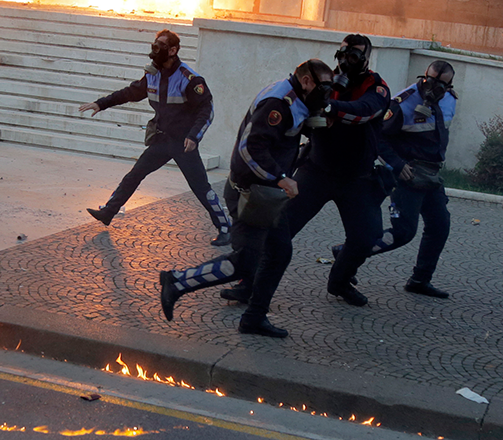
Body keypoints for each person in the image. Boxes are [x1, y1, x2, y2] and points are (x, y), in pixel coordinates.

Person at [158, 59, 335, 337]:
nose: (326, 94)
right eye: (323, 88)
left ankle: (253, 317)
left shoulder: (293, 98)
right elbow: (249, 148)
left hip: (264, 194)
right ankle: (177, 281)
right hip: (251, 195)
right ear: (306, 81)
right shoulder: (278, 104)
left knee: (278, 253)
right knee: (245, 261)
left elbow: (284, 136)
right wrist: (280, 177)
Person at [236, 34, 389, 339]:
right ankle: (249, 286)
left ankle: (340, 280)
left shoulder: (376, 87)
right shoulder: (324, 81)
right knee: (277, 231)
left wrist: (328, 107)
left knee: (366, 237)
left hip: (356, 178)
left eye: (355, 55)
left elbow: (364, 110)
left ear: (367, 58)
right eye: (343, 53)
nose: (346, 60)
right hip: (316, 170)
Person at [79, 30, 233, 246]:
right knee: (134, 175)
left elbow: (207, 110)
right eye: (155, 44)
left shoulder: (189, 79)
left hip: (183, 143)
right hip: (162, 140)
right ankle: (108, 212)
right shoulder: (153, 74)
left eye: (161, 45)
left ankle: (225, 227)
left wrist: (194, 136)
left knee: (201, 187)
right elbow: (130, 93)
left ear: (173, 50)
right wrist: (101, 103)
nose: (155, 49)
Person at [330, 61, 457, 299]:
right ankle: (347, 253)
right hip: (407, 175)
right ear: (423, 76)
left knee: (440, 226)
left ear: (449, 86)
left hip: (431, 175)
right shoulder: (403, 102)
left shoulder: (450, 100)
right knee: (403, 232)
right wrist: (398, 165)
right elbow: (378, 137)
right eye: (429, 80)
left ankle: (420, 280)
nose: (433, 87)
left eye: (441, 84)